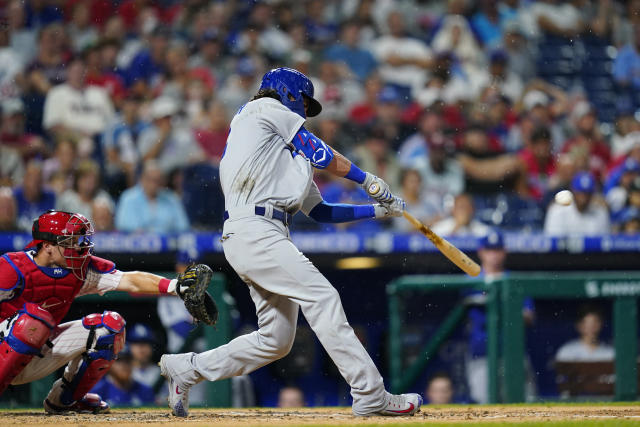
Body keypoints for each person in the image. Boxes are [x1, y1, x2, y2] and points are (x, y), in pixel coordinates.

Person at [159, 67, 422, 417]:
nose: (304, 113)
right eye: (304, 103)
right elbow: (322, 154)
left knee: (276, 340)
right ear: (287, 93)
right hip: (255, 229)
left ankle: (187, 368)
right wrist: (366, 178)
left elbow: (321, 212)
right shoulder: (261, 110)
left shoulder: (282, 153)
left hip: (262, 234)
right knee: (323, 298)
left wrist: (376, 212)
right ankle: (370, 393)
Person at [0, 210, 192, 414]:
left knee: (109, 328)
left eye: (79, 239)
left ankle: (63, 401)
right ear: (47, 246)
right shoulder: (12, 267)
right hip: (5, 345)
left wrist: (175, 286)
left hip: (35, 352)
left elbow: (130, 280)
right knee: (33, 320)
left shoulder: (79, 270)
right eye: (70, 241)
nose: (79, 246)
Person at [464, 230, 536, 404]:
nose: (493, 255)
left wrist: (508, 309)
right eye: (489, 250)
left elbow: (529, 317)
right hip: (481, 354)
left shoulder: (514, 281)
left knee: (523, 405)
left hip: (513, 354)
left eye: (497, 250)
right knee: (484, 405)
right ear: (481, 252)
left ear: (504, 252)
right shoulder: (470, 281)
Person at [114, 160, 190, 233]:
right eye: (150, 179)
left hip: (167, 244)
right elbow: (123, 224)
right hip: (137, 244)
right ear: (142, 179)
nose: (154, 184)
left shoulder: (171, 198)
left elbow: (183, 226)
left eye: (157, 180)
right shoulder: (128, 198)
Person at [544, 172, 611, 236]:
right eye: (580, 193)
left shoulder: (600, 213)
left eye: (587, 193)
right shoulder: (557, 210)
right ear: (573, 191)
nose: (584, 198)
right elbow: (552, 241)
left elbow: (604, 242)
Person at [90, 346, 155, 407]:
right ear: (109, 364)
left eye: (127, 360)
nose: (124, 365)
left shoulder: (145, 391)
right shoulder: (97, 392)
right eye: (118, 360)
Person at [127, 323, 160, 389]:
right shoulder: (122, 373)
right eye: (136, 343)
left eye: (145, 343)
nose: (141, 348)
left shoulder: (161, 373)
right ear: (128, 346)